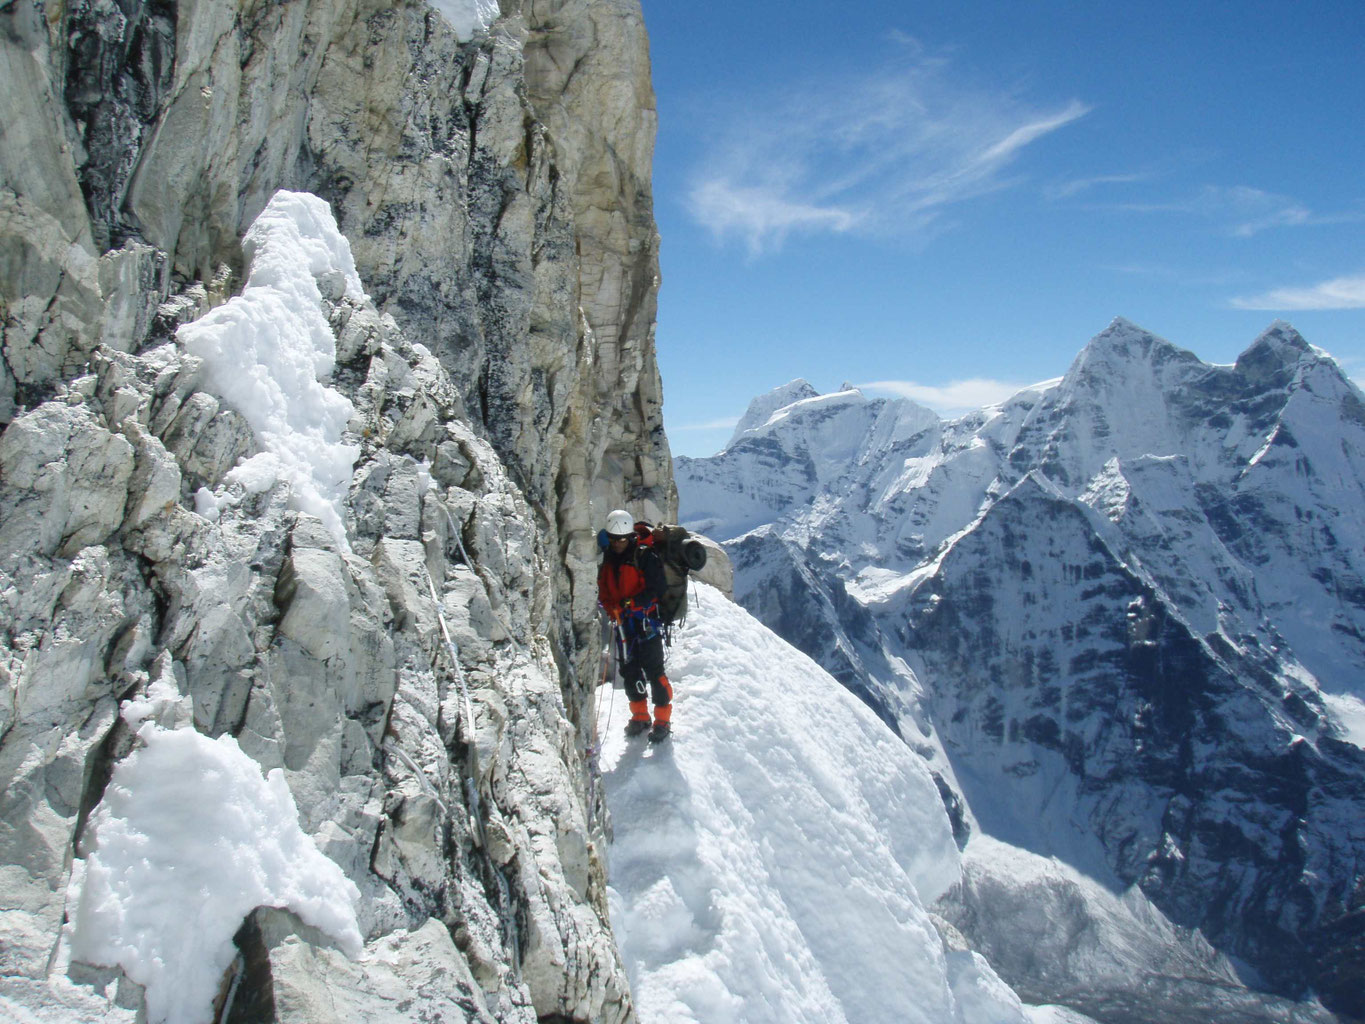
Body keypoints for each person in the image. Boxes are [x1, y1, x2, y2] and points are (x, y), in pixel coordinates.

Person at [597, 509, 673, 743]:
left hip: (646, 622)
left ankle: (662, 720)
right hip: (623, 623)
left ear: (629, 536)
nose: (618, 544)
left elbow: (657, 589)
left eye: (622, 539)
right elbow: (604, 592)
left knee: (654, 671)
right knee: (629, 670)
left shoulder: (645, 556)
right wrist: (612, 608)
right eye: (614, 539)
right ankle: (640, 716)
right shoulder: (609, 559)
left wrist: (633, 603)